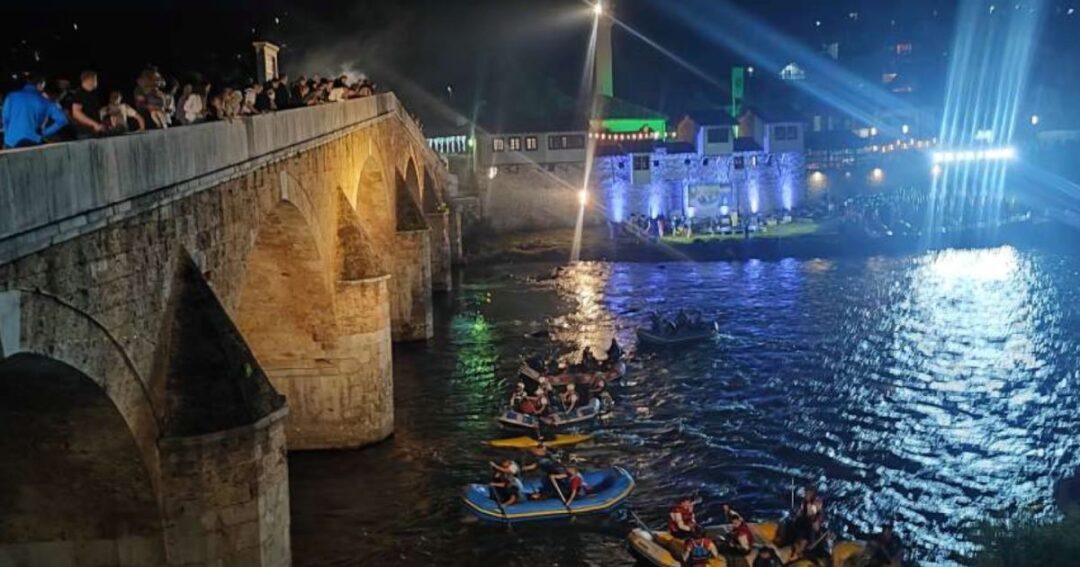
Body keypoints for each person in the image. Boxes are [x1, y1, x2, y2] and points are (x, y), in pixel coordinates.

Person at [2, 75, 69, 148]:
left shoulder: (11, 97)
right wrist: (44, 132)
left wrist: (7, 135)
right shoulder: (45, 102)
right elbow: (62, 120)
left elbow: (5, 119)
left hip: (11, 142)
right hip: (33, 141)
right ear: (41, 84)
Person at [70, 70, 105, 140]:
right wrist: (94, 124)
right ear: (89, 80)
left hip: (96, 131)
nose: (96, 82)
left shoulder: (93, 93)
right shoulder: (79, 94)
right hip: (85, 133)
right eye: (95, 79)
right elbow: (76, 113)